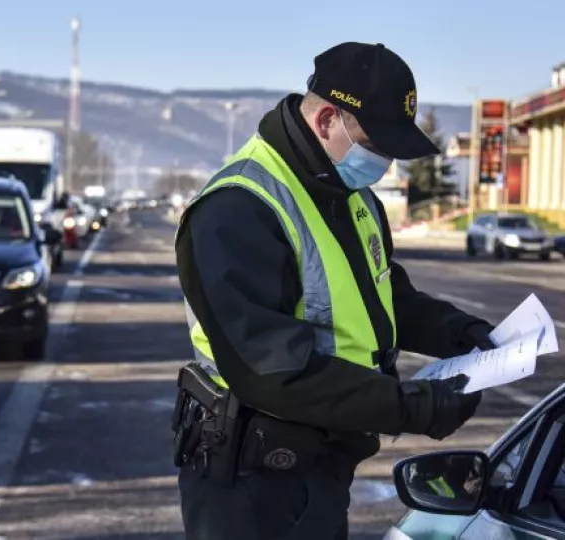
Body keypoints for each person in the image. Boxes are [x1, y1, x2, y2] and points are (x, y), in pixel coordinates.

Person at [173, 42, 495, 540]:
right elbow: (272, 368)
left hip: (321, 466)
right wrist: (414, 406)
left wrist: (466, 333)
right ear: (327, 121)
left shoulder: (348, 194)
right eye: (376, 144)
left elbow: (387, 297)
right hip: (252, 484)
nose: (384, 161)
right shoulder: (237, 208)